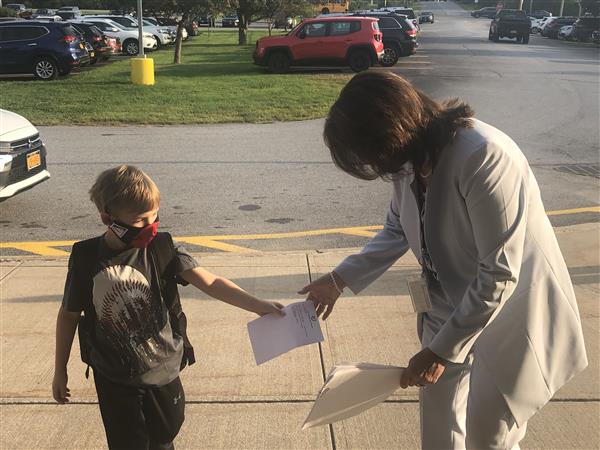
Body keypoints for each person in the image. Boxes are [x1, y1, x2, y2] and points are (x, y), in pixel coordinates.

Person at [299, 72, 588, 449]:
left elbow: (500, 273)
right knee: (439, 423)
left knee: (489, 435)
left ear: (393, 130)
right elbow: (396, 229)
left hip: (511, 311)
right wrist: (338, 280)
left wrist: (440, 351)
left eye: (371, 153)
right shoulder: (408, 160)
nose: (372, 163)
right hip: (447, 305)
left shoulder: (482, 156)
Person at [52, 165, 284, 450]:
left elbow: (210, 282)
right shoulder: (87, 257)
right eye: (140, 220)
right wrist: (60, 369)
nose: (151, 225)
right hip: (114, 377)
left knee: (164, 438)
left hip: (163, 369)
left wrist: (258, 305)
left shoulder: (162, 248)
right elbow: (69, 314)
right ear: (107, 218)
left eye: (155, 215)